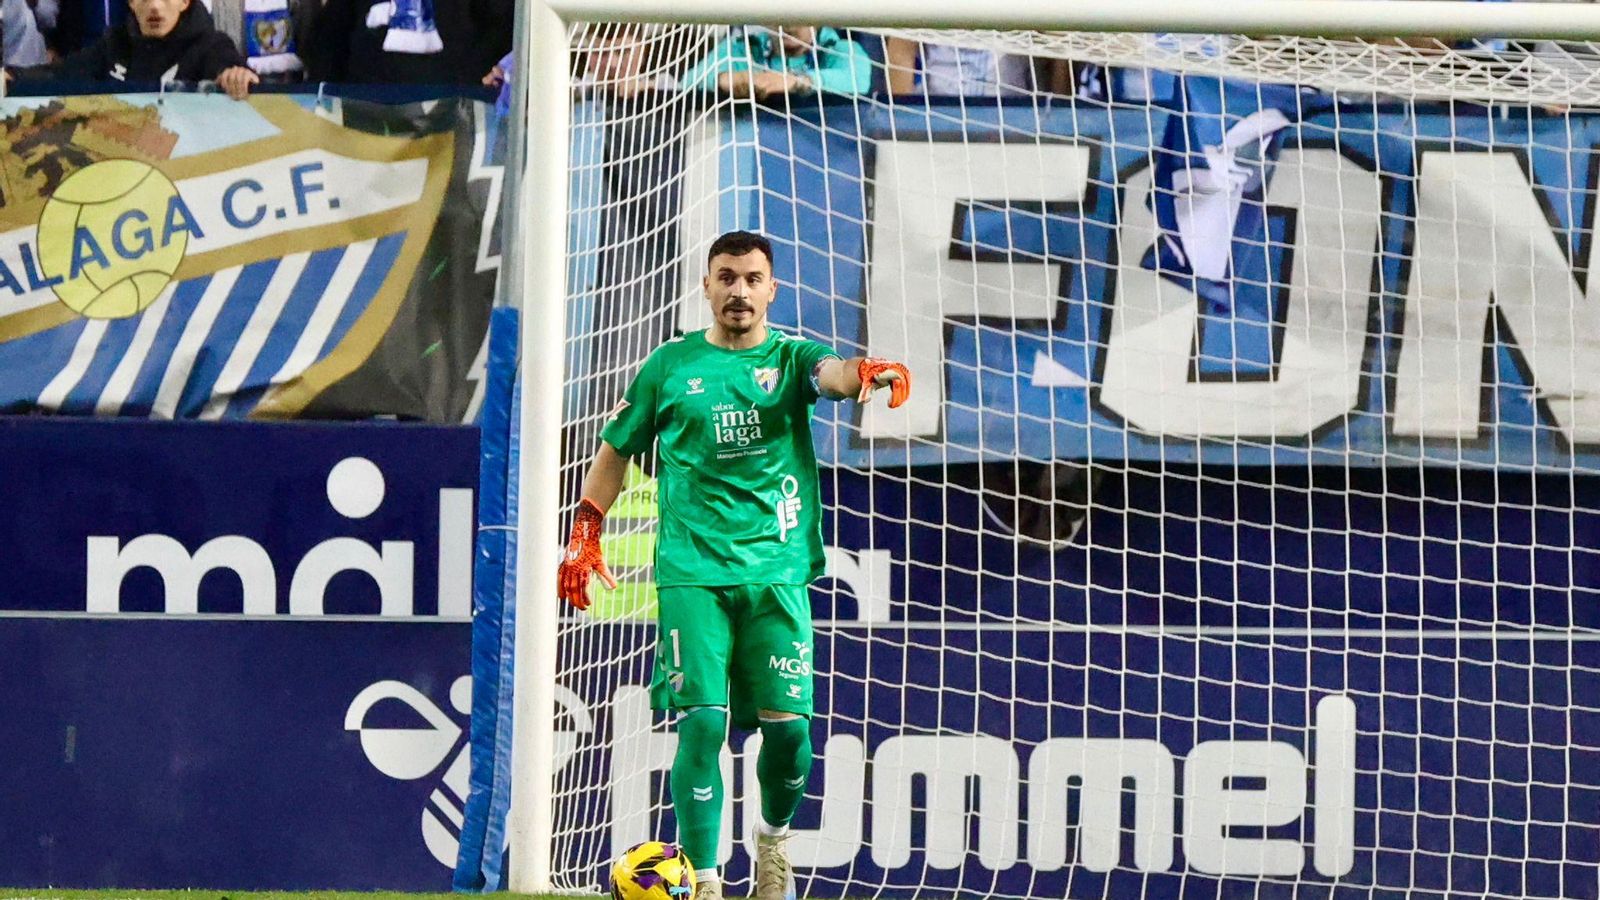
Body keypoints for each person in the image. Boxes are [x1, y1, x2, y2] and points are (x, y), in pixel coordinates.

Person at [557, 230, 910, 900]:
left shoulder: (791, 357)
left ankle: (773, 842)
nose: (739, 291)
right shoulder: (670, 366)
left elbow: (830, 374)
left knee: (791, 737)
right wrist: (585, 530)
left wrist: (862, 373)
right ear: (707, 285)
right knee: (704, 722)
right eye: (726, 277)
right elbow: (616, 449)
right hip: (693, 572)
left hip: (777, 575)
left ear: (771, 289)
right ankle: (704, 880)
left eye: (752, 279)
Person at [18, 0, 257, 97]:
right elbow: (61, 74)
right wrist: (13, 77)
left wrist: (236, 75)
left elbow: (229, 67)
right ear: (131, 2)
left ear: (185, 2)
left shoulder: (211, 45)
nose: (154, 6)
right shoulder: (113, 45)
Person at [681, 25, 872, 99]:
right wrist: (723, 80)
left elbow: (857, 82)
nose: (789, 23)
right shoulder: (743, 49)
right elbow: (686, 84)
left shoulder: (840, 49)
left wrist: (797, 81)